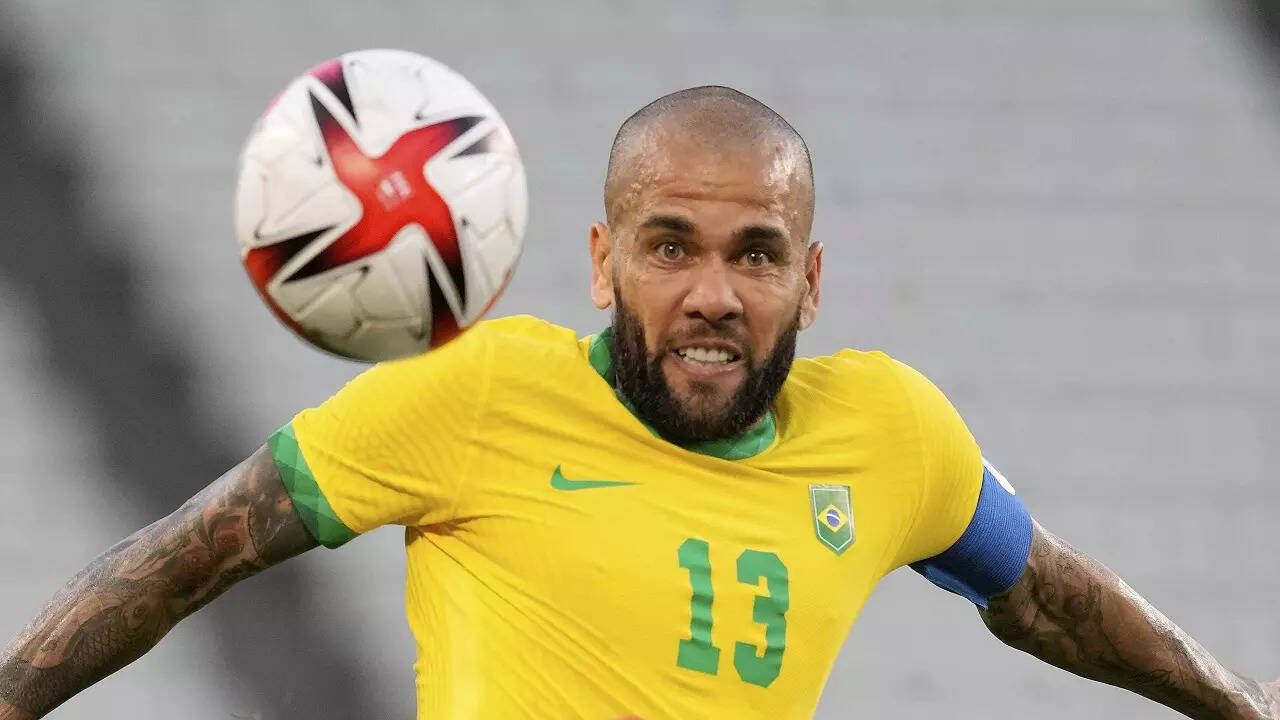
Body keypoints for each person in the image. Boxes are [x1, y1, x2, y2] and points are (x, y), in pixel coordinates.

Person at [0, 86, 1275, 720]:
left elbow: (1047, 596)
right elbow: (188, 554)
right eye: (670, 248)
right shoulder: (481, 396)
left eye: (754, 255)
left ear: (809, 282)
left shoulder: (890, 434)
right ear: (605, 264)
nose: (711, 294)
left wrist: (1238, 704)